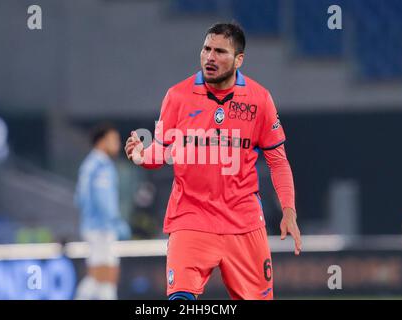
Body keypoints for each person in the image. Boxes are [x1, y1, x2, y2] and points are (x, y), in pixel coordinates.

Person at [125, 23, 301, 300]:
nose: (210, 57)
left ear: (238, 59)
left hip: (243, 223)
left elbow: (278, 161)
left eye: (220, 51)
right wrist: (140, 156)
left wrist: (288, 210)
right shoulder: (177, 97)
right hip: (190, 218)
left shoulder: (259, 99)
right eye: (207, 49)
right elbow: (162, 151)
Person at [75, 124, 131, 300]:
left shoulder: (89, 165)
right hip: (101, 228)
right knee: (104, 275)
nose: (117, 144)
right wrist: (114, 221)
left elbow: (80, 198)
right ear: (101, 142)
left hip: (96, 227)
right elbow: (102, 200)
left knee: (104, 278)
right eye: (113, 140)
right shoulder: (100, 167)